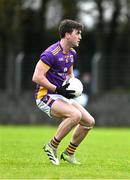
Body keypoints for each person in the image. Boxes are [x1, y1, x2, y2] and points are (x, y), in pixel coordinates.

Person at [32, 19, 95, 165]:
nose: (80, 36)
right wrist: (57, 88)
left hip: (61, 94)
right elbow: (36, 77)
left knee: (88, 122)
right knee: (75, 115)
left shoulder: (72, 53)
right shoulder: (50, 54)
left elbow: (69, 74)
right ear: (67, 35)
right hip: (45, 95)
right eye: (77, 33)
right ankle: (52, 146)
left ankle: (68, 153)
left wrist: (73, 86)